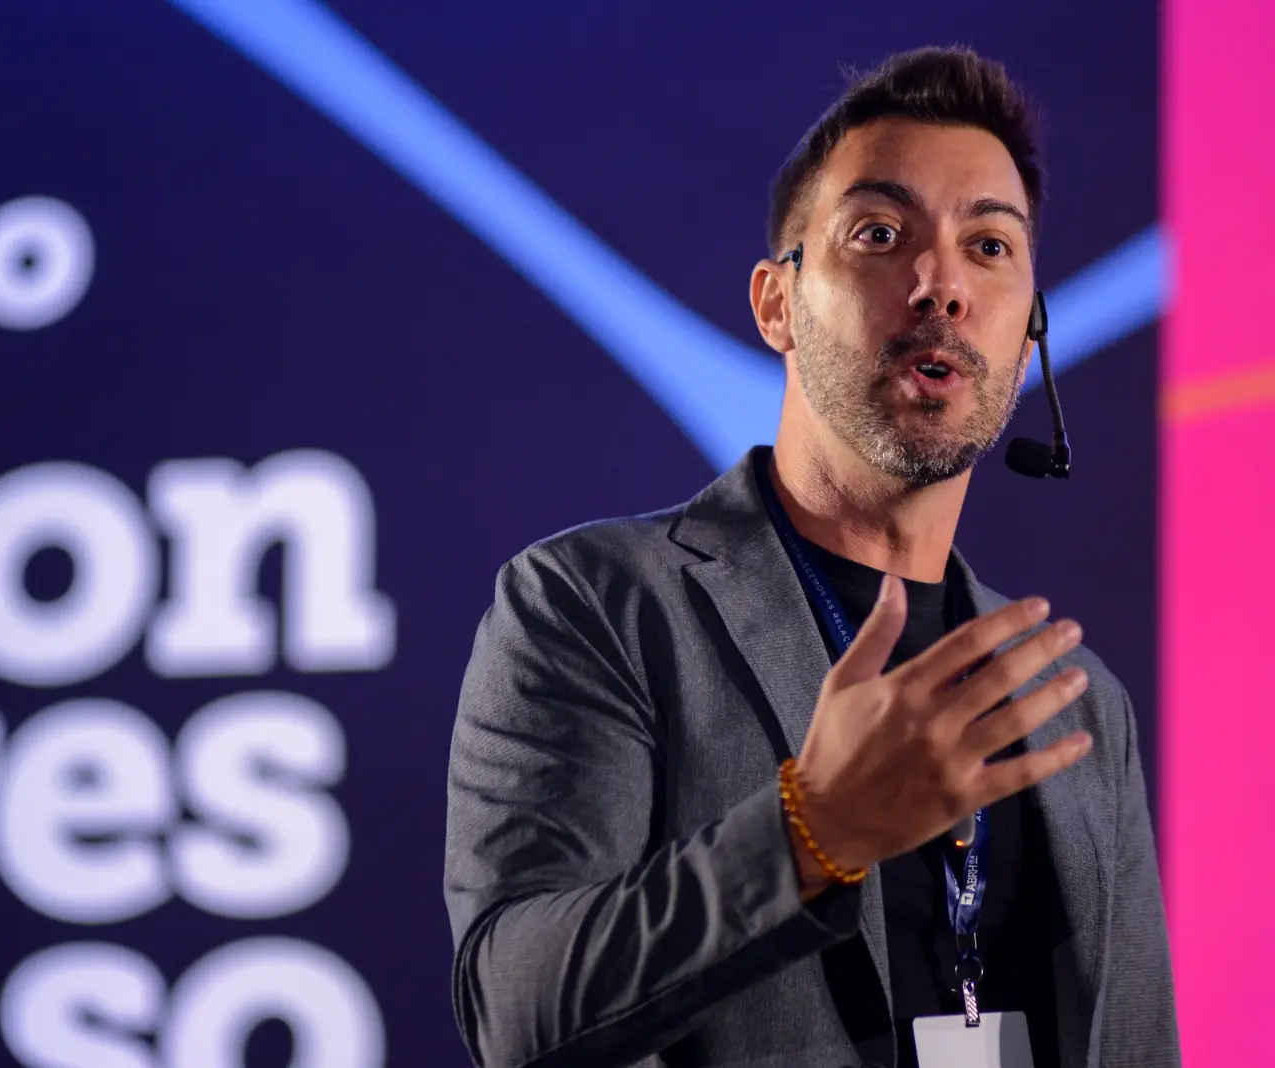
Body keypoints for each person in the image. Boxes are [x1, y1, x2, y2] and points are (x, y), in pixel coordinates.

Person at [442, 46, 1178, 1068]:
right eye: (878, 234)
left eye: (990, 247)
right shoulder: (595, 605)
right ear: (775, 304)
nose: (939, 284)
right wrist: (810, 832)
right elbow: (515, 1008)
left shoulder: (1076, 702)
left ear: (1029, 337)